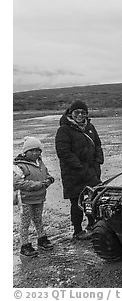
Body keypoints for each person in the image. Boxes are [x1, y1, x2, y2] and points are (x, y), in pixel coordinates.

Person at [55, 100, 103, 240]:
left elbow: (98, 145)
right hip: (73, 173)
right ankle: (77, 230)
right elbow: (63, 152)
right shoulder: (64, 130)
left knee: (93, 199)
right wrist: (78, 166)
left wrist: (99, 160)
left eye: (83, 112)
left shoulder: (90, 127)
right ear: (71, 113)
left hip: (91, 171)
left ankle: (92, 224)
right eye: (77, 112)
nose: (80, 115)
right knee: (77, 202)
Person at [13, 137, 55, 257]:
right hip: (25, 199)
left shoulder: (40, 163)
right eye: (32, 150)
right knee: (25, 223)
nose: (35, 153)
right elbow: (16, 183)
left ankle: (42, 238)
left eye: (38, 150)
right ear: (25, 152)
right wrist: (38, 185)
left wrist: (49, 179)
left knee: (38, 219)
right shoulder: (19, 166)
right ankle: (24, 245)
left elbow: (46, 174)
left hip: (39, 197)